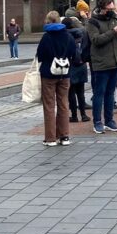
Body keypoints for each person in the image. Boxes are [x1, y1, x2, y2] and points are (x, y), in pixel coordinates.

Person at [86, 0, 117, 134]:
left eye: (113, 8)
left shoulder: (116, 18)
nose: (112, 11)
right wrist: (113, 31)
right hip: (101, 63)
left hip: (116, 62)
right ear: (103, 9)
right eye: (109, 9)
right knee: (99, 93)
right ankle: (97, 121)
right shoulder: (93, 21)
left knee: (110, 93)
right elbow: (96, 40)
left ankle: (109, 120)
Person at [37, 11, 76, 146]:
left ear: (48, 21)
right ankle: (64, 136)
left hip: (48, 74)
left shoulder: (46, 37)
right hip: (64, 74)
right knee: (63, 104)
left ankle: (50, 138)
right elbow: (74, 54)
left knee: (49, 106)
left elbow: (40, 56)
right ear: (59, 20)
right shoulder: (68, 36)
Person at [64, 16, 91, 123]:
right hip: (82, 66)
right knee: (81, 92)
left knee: (71, 93)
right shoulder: (82, 33)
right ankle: (84, 115)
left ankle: (74, 115)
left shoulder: (65, 36)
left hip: (71, 67)